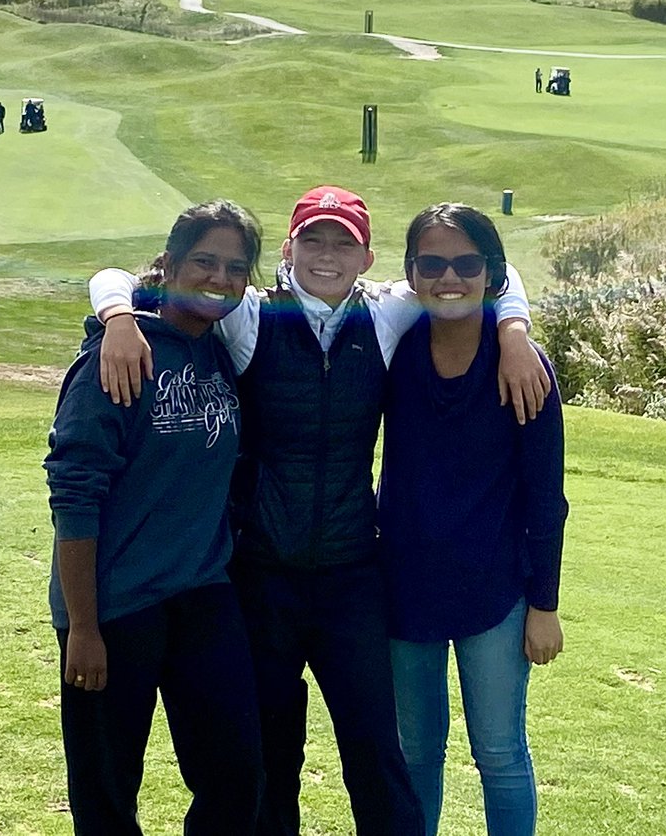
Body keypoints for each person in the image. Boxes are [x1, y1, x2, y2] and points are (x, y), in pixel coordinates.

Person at [88, 185, 551, 836]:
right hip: (263, 576)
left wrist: (513, 329)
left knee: (376, 753)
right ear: (288, 249)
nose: (326, 255)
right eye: (314, 240)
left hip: (351, 576)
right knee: (274, 756)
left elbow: (495, 272)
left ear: (366, 258)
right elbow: (118, 277)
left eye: (343, 243)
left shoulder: (388, 312)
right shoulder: (250, 315)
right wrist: (116, 319)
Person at [44, 200, 266, 836]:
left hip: (203, 594)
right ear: (168, 265)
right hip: (115, 605)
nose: (219, 278)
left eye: (234, 267)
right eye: (204, 261)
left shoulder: (218, 350)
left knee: (235, 773)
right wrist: (83, 627)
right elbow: (75, 493)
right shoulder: (116, 358)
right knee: (107, 789)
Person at [378, 203, 567, 836]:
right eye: (432, 264)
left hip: (496, 592)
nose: (449, 278)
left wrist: (544, 604)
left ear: (492, 273)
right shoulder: (393, 349)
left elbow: (546, 496)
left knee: (500, 756)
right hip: (405, 589)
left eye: (466, 263)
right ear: (410, 272)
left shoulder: (523, 365)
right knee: (415, 756)